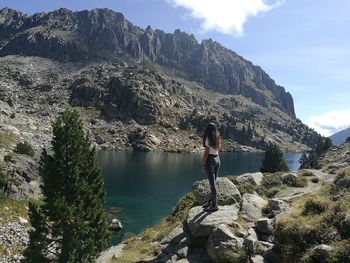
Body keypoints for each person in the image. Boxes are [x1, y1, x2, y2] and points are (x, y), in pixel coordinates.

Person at [201, 122, 221, 212]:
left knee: (212, 184)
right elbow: (218, 150)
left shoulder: (208, 138)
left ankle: (214, 205)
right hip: (217, 159)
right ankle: (210, 201)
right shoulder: (217, 137)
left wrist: (203, 164)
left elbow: (206, 153)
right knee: (213, 183)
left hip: (210, 161)